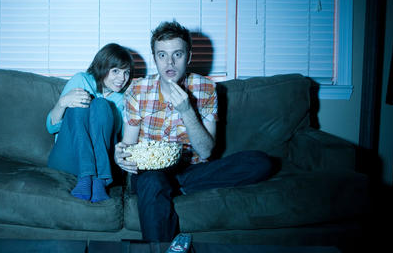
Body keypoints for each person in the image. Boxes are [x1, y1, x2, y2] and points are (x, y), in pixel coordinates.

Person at [114, 20, 272, 241]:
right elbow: (128, 146)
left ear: (188, 57)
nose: (169, 62)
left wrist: (187, 110)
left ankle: (174, 187)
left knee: (260, 162)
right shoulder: (138, 90)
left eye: (177, 54)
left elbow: (206, 152)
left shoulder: (206, 88)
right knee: (152, 181)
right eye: (162, 55)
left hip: (191, 170)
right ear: (155, 58)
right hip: (150, 172)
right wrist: (121, 155)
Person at [47, 43, 134, 203]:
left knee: (101, 105)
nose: (122, 78)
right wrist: (62, 103)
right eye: (116, 71)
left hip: (105, 162)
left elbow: (122, 138)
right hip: (69, 157)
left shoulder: (124, 97)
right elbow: (51, 127)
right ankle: (89, 177)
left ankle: (96, 180)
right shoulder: (81, 80)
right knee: (79, 104)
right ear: (102, 67)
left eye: (126, 72)